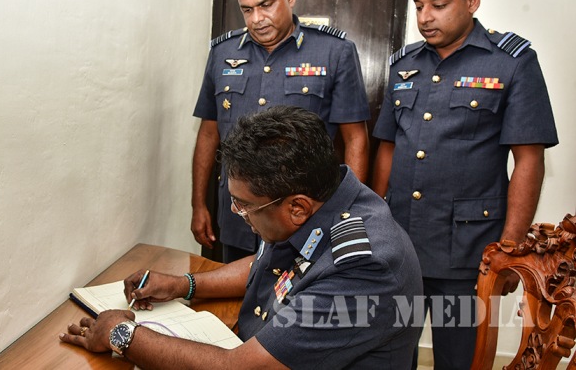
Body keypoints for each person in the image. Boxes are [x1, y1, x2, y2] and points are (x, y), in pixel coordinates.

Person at [61, 106, 422, 369]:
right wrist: (185, 284)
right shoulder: (325, 193)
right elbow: (282, 266)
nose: (238, 212)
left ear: (297, 207)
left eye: (245, 205)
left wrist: (121, 334)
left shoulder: (362, 267)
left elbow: (240, 368)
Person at [371, 0, 559, 369]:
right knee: (386, 356)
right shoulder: (405, 64)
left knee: (459, 360)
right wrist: (374, 222)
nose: (425, 17)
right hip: (399, 243)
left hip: (468, 250)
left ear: (471, 1)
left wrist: (508, 250)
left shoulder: (511, 62)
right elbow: (388, 146)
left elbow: (528, 160)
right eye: (419, 6)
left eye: (438, 5)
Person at [191, 0, 371, 262]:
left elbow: (356, 139)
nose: (257, 18)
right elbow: (209, 134)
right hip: (238, 215)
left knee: (299, 293)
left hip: (301, 218)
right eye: (247, 9)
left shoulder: (334, 52)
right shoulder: (222, 53)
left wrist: (347, 212)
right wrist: (198, 205)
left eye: (266, 4)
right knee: (234, 290)